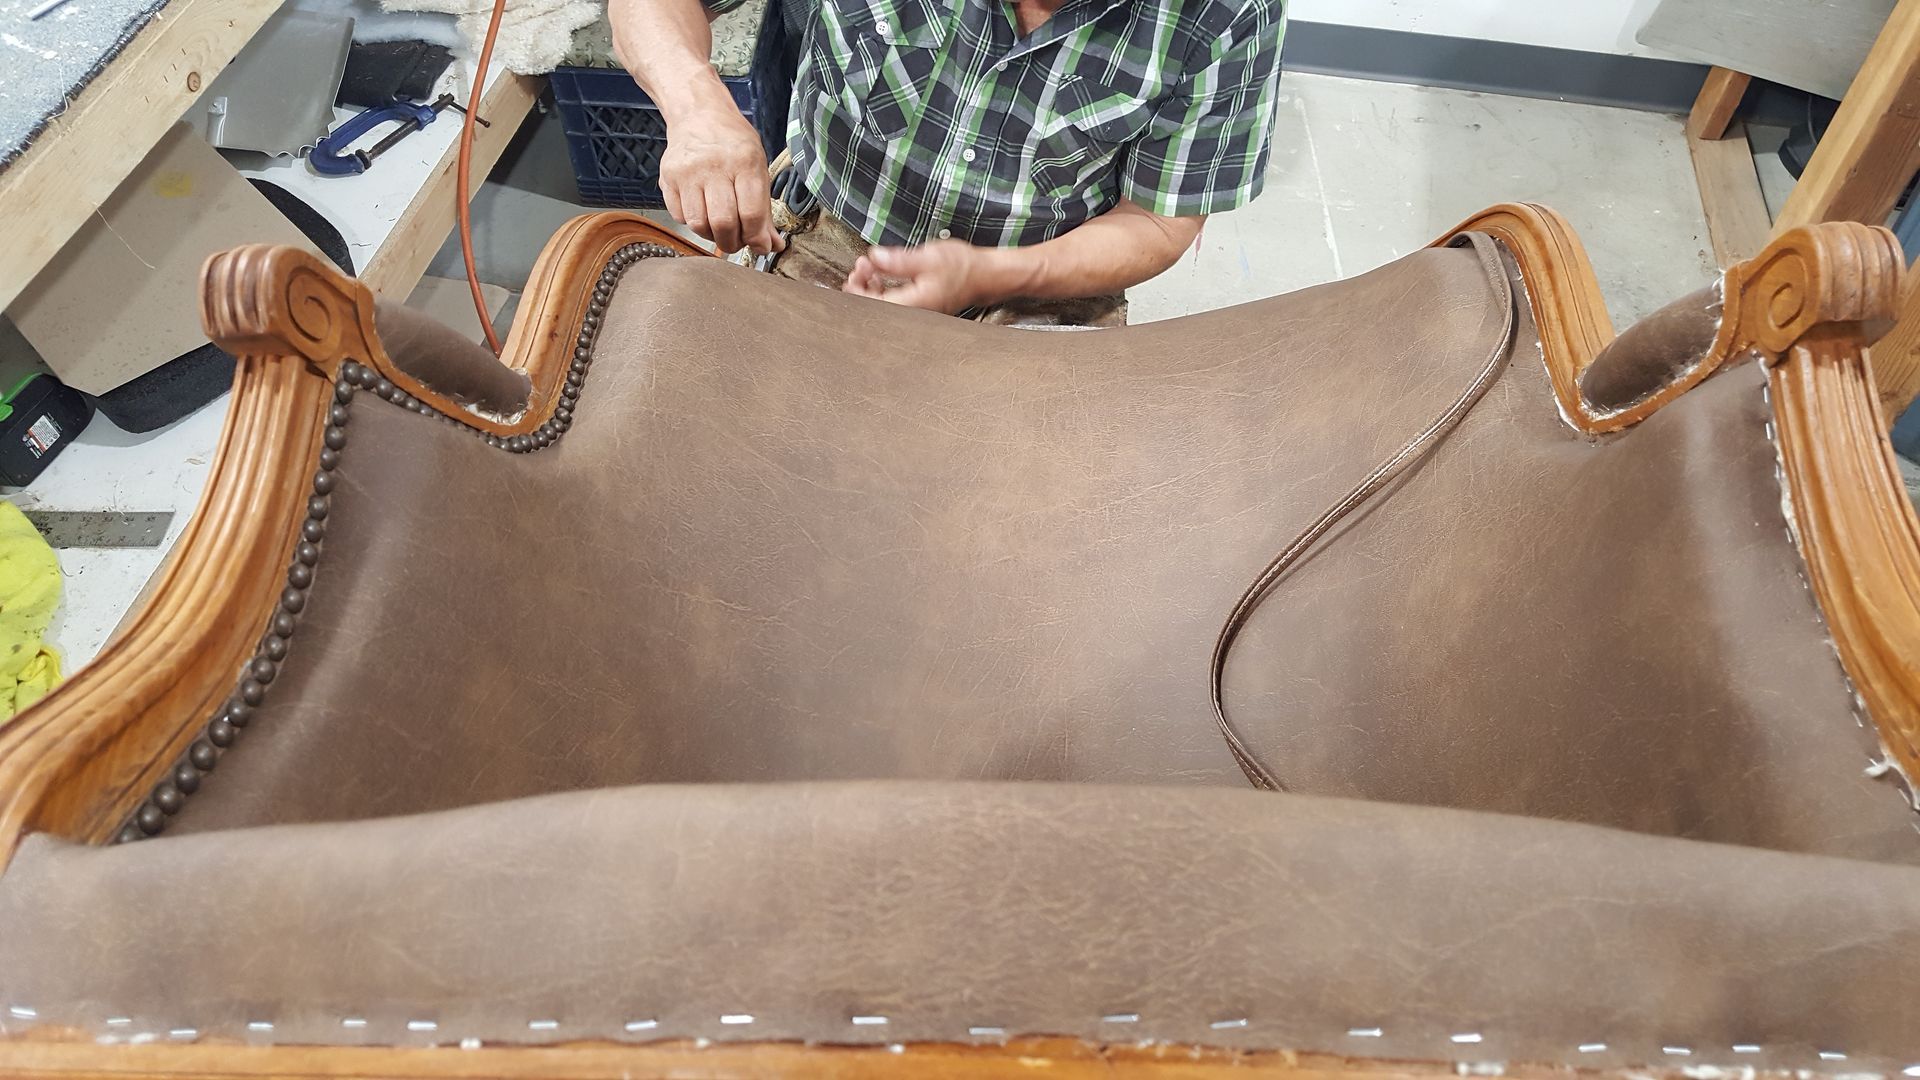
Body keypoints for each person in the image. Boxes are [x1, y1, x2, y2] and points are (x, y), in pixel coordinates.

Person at [611, 0, 1285, 327]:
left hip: (1044, 282)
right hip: (826, 236)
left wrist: (990, 274)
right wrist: (696, 103)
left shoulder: (1228, 12)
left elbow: (1159, 222)